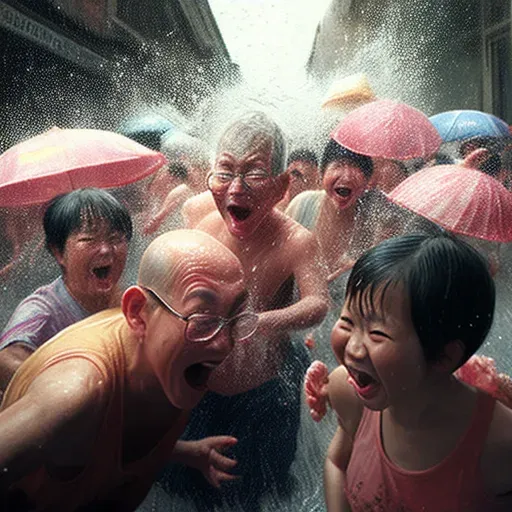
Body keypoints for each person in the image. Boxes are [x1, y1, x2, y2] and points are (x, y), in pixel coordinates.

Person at [0, 229, 256, 511]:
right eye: (203, 318)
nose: (225, 344)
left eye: (236, 317)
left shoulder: (174, 359)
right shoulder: (76, 393)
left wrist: (186, 452)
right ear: (137, 313)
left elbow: (106, 438)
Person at [163, 112, 329, 510]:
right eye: (225, 172)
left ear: (282, 186)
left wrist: (264, 321)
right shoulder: (197, 217)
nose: (236, 189)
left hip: (263, 393)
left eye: (254, 174)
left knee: (255, 493)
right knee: (180, 488)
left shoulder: (297, 242)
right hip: (199, 387)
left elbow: (318, 303)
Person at [306, 233, 512, 511]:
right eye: (347, 321)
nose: (353, 348)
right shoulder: (347, 391)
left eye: (377, 333)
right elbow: (337, 461)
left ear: (443, 356)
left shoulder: (498, 444)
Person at [0, 188, 132, 394]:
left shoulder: (128, 300)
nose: (106, 249)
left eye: (115, 239)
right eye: (89, 239)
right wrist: (70, 392)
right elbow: (6, 360)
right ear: (58, 252)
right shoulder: (43, 310)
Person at [142, 131, 211, 235]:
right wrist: (159, 217)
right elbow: (182, 192)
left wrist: (159, 217)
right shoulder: (186, 185)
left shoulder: (215, 178)